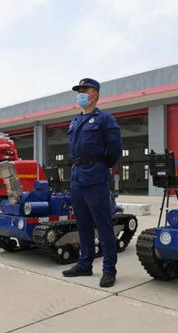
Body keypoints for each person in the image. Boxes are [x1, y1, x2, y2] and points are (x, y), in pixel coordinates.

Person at [62, 78, 122, 287]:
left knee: (103, 224)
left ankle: (108, 269)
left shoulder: (105, 119)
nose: (81, 93)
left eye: (84, 90)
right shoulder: (75, 121)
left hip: (95, 176)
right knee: (83, 224)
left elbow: (114, 150)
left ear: (95, 94)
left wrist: (101, 166)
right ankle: (84, 264)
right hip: (77, 176)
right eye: (79, 90)